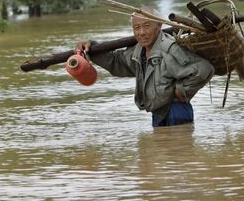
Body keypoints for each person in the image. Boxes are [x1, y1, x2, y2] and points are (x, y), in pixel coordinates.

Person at [74, 8, 215, 127]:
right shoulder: (138, 51)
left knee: (177, 155)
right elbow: (117, 63)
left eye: (147, 26)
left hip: (176, 112)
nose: (141, 32)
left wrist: (181, 91)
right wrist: (91, 47)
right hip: (158, 114)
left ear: (159, 25)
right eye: (137, 28)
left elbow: (205, 69)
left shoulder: (170, 49)